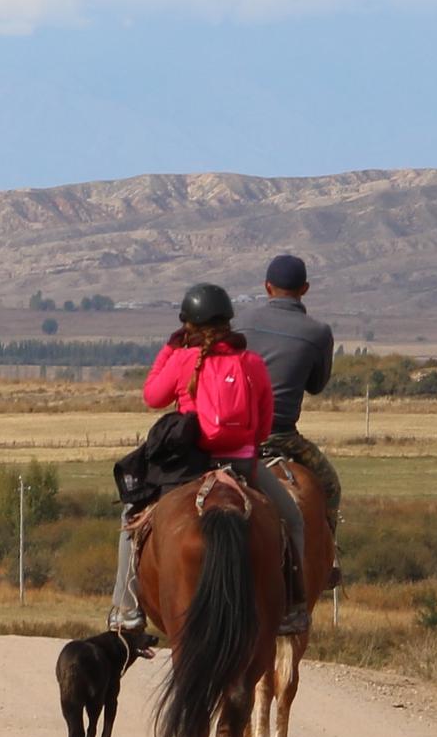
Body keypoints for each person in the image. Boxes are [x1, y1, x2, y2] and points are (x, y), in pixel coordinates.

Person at [109, 285, 309, 640]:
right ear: (228, 322)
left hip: (189, 466)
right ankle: (293, 606)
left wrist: (170, 350)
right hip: (244, 464)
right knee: (292, 519)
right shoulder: (252, 363)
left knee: (130, 519)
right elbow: (262, 426)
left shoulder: (184, 360)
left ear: (189, 326)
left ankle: (127, 611)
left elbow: (152, 396)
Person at [239, 253, 342, 522]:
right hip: (280, 435)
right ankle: (328, 557)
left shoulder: (240, 322)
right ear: (304, 289)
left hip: (233, 431)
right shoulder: (318, 332)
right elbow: (316, 386)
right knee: (330, 487)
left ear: (266, 287)